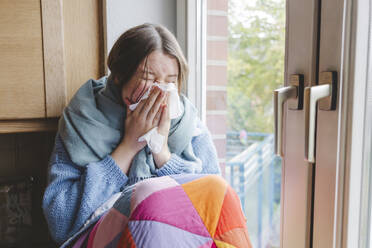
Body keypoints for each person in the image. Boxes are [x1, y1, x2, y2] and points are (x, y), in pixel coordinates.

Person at [42, 23, 222, 246]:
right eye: (148, 77)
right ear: (119, 76)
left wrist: (161, 151)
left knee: (221, 191)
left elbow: (214, 211)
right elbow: (60, 223)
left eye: (170, 81)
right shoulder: (81, 122)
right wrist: (127, 147)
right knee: (146, 197)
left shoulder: (188, 125)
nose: (160, 89)